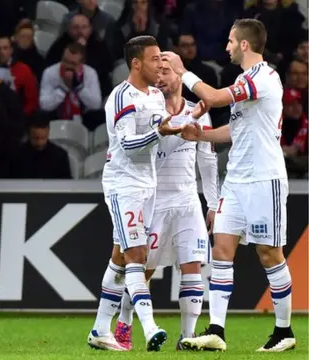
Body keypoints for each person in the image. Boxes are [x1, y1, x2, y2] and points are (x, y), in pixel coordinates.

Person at [162, 18, 296, 352]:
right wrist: (201, 135)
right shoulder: (244, 79)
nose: (227, 47)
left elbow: (216, 99)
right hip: (236, 179)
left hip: (265, 178)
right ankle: (217, 331)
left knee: (269, 254)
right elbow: (236, 131)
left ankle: (284, 331)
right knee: (221, 250)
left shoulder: (264, 77)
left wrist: (183, 73)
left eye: (230, 41)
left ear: (245, 45)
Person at [87, 35, 185, 352]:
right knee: (136, 256)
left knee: (120, 256)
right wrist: (160, 131)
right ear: (137, 63)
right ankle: (149, 326)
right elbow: (128, 146)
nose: (161, 63)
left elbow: (162, 130)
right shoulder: (121, 97)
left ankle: (100, 330)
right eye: (155, 58)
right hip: (124, 183)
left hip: (148, 183)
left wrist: (186, 122)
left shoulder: (156, 95)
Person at [113, 58, 219, 351]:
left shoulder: (199, 111)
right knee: (142, 269)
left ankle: (187, 336)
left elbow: (207, 160)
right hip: (154, 200)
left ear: (179, 76)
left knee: (193, 265)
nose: (159, 76)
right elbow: (150, 143)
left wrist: (212, 203)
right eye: (156, 71)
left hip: (186, 200)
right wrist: (186, 122)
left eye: (166, 71)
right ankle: (124, 324)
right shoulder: (149, 109)